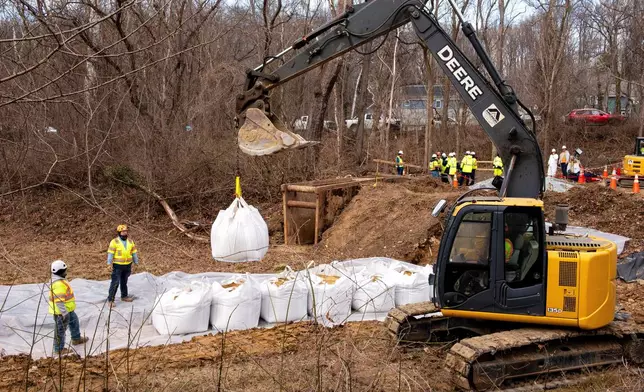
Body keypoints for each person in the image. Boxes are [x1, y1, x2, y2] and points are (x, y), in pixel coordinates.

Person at [49, 260, 88, 356]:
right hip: (61, 313)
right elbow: (59, 301)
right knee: (60, 331)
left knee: (74, 322)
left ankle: (76, 338)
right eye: (64, 271)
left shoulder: (60, 281)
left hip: (68, 310)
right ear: (60, 272)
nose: (66, 272)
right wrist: (64, 313)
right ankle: (59, 349)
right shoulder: (58, 284)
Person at [107, 224, 139, 307]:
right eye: (123, 231)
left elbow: (134, 252)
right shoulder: (114, 242)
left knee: (124, 281)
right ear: (119, 232)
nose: (125, 233)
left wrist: (136, 261)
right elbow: (110, 253)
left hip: (127, 265)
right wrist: (109, 263)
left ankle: (124, 296)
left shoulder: (130, 241)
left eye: (126, 231)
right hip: (118, 266)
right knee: (115, 282)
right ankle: (110, 299)